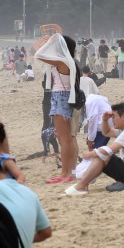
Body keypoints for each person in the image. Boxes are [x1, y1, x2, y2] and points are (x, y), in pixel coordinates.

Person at [66, 103, 124, 195]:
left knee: (103, 155)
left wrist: (89, 154)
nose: (112, 120)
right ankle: (83, 185)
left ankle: (81, 185)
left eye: (114, 117)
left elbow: (109, 150)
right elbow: (106, 132)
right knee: (101, 154)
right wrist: (104, 119)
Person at [35, 34, 80, 184]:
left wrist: (50, 42)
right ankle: (70, 172)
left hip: (60, 98)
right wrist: (47, 41)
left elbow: (39, 54)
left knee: (64, 139)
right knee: (69, 138)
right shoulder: (68, 61)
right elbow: (39, 52)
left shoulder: (62, 61)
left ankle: (65, 173)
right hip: (65, 97)